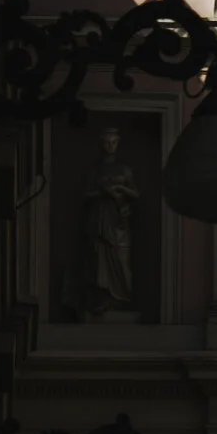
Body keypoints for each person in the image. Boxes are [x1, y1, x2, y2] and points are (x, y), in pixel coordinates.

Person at [79, 125, 139, 318]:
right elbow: (84, 195)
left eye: (114, 142)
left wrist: (120, 189)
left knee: (121, 261)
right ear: (101, 144)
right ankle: (101, 301)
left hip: (119, 221)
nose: (110, 146)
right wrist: (103, 192)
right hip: (99, 220)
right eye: (107, 142)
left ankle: (122, 300)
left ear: (118, 143)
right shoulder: (94, 169)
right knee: (98, 261)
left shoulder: (124, 169)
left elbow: (135, 194)